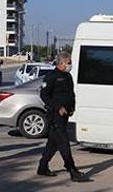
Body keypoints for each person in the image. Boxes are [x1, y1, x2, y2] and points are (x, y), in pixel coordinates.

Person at [37, 52, 89, 182]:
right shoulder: (51, 77)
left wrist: (72, 108)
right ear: (61, 63)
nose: (70, 65)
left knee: (53, 144)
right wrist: (58, 107)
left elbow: (71, 94)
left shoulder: (68, 76)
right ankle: (72, 170)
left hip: (65, 114)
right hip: (55, 115)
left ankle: (42, 167)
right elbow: (44, 95)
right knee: (64, 142)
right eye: (68, 63)